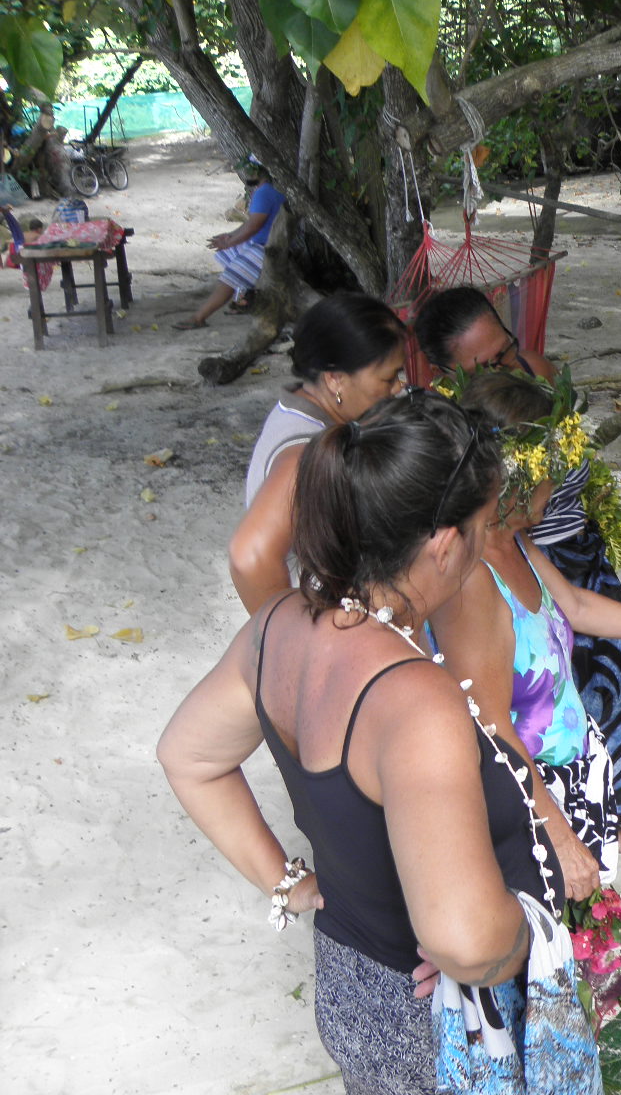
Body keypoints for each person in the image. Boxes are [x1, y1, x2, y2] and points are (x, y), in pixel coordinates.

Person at [158, 391, 567, 1094]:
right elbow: (464, 941)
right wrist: (521, 937)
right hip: (436, 1026)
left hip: (351, 986)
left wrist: (286, 883)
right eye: (477, 530)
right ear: (442, 543)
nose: (479, 552)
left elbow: (189, 756)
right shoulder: (414, 699)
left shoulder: (277, 625)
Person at [430, 368, 621, 902]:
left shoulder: (513, 541)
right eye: (554, 470)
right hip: (527, 800)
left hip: (564, 780)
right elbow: (493, 726)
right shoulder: (473, 581)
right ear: (516, 477)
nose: (562, 483)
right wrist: (558, 835)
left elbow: (571, 604)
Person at [415, 286, 621, 854]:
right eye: (490, 363)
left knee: (603, 676)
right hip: (525, 550)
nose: (509, 365)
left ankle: (602, 806)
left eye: (507, 349)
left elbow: (574, 603)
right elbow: (496, 721)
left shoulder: (538, 381)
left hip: (552, 552)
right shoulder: (475, 570)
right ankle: (569, 822)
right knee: (546, 681)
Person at [230, 295, 407, 613]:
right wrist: (287, 637)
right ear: (335, 378)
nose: (398, 388)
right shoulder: (304, 452)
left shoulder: (304, 412)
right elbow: (250, 557)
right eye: (388, 378)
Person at [177, 159, 287, 329]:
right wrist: (230, 237)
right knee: (231, 255)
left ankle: (199, 317)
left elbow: (253, 226)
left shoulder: (263, 193)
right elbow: (252, 223)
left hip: (266, 247)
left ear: (257, 172)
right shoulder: (271, 190)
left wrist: (230, 242)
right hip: (268, 242)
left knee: (230, 276)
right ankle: (243, 299)